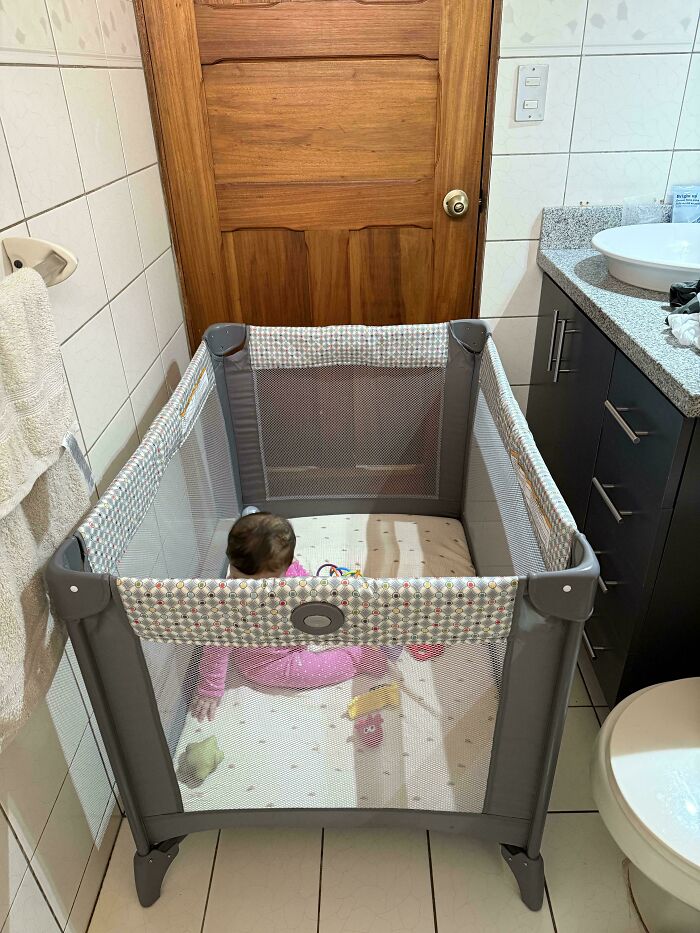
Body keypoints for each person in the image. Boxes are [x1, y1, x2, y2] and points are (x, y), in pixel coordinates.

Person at [190, 512, 388, 722]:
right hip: (267, 660)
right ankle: (357, 659)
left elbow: (314, 592)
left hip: (300, 632)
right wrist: (209, 690)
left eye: (256, 583)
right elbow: (216, 650)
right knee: (311, 670)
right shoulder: (229, 601)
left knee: (332, 613)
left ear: (285, 568)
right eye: (236, 576)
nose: (242, 587)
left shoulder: (294, 574)